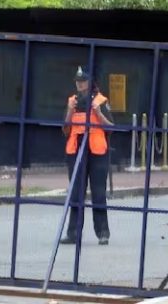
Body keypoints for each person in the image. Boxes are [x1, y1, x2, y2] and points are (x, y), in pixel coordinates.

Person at [61, 66, 113, 246]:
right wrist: (69, 110)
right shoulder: (72, 101)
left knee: (98, 193)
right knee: (76, 194)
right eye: (78, 82)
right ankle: (73, 233)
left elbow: (111, 127)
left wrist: (98, 113)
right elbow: (65, 129)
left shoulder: (101, 100)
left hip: (97, 152)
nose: (80, 85)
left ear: (90, 83)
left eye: (83, 82)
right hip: (76, 151)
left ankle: (103, 232)